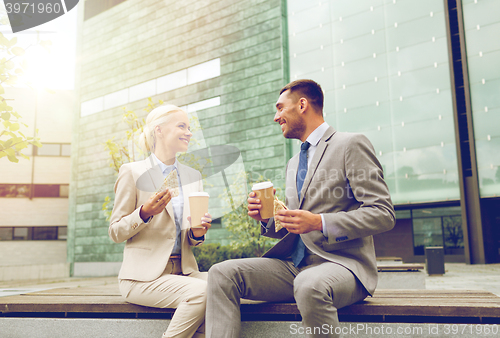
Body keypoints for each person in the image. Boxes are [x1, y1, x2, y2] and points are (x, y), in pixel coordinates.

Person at [205, 79, 395, 337]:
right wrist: (267, 218)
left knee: (309, 284)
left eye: (280, 108)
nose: (276, 117)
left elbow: (382, 213)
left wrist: (319, 222)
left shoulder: (350, 145)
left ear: (302, 104)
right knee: (221, 273)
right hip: (294, 267)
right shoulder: (294, 162)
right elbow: (294, 224)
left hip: (342, 265)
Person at [109, 104, 212, 338]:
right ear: (159, 130)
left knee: (228, 284)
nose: (189, 132)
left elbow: (192, 239)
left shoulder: (192, 176)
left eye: (189, 127)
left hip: (184, 272)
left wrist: (197, 232)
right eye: (182, 126)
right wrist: (144, 213)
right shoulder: (132, 172)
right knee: (204, 292)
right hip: (142, 277)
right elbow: (115, 232)